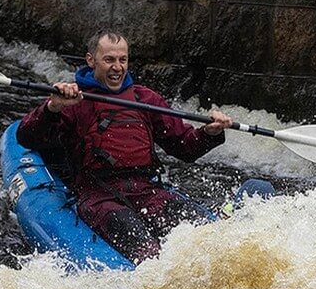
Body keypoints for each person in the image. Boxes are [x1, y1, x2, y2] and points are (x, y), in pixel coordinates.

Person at [17, 29, 233, 262]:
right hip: (98, 197)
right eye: (109, 59)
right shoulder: (73, 101)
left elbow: (184, 147)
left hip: (146, 191)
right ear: (91, 60)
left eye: (123, 60)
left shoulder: (145, 100)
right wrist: (52, 107)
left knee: (204, 236)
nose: (117, 67)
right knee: (148, 253)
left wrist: (209, 133)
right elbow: (27, 138)